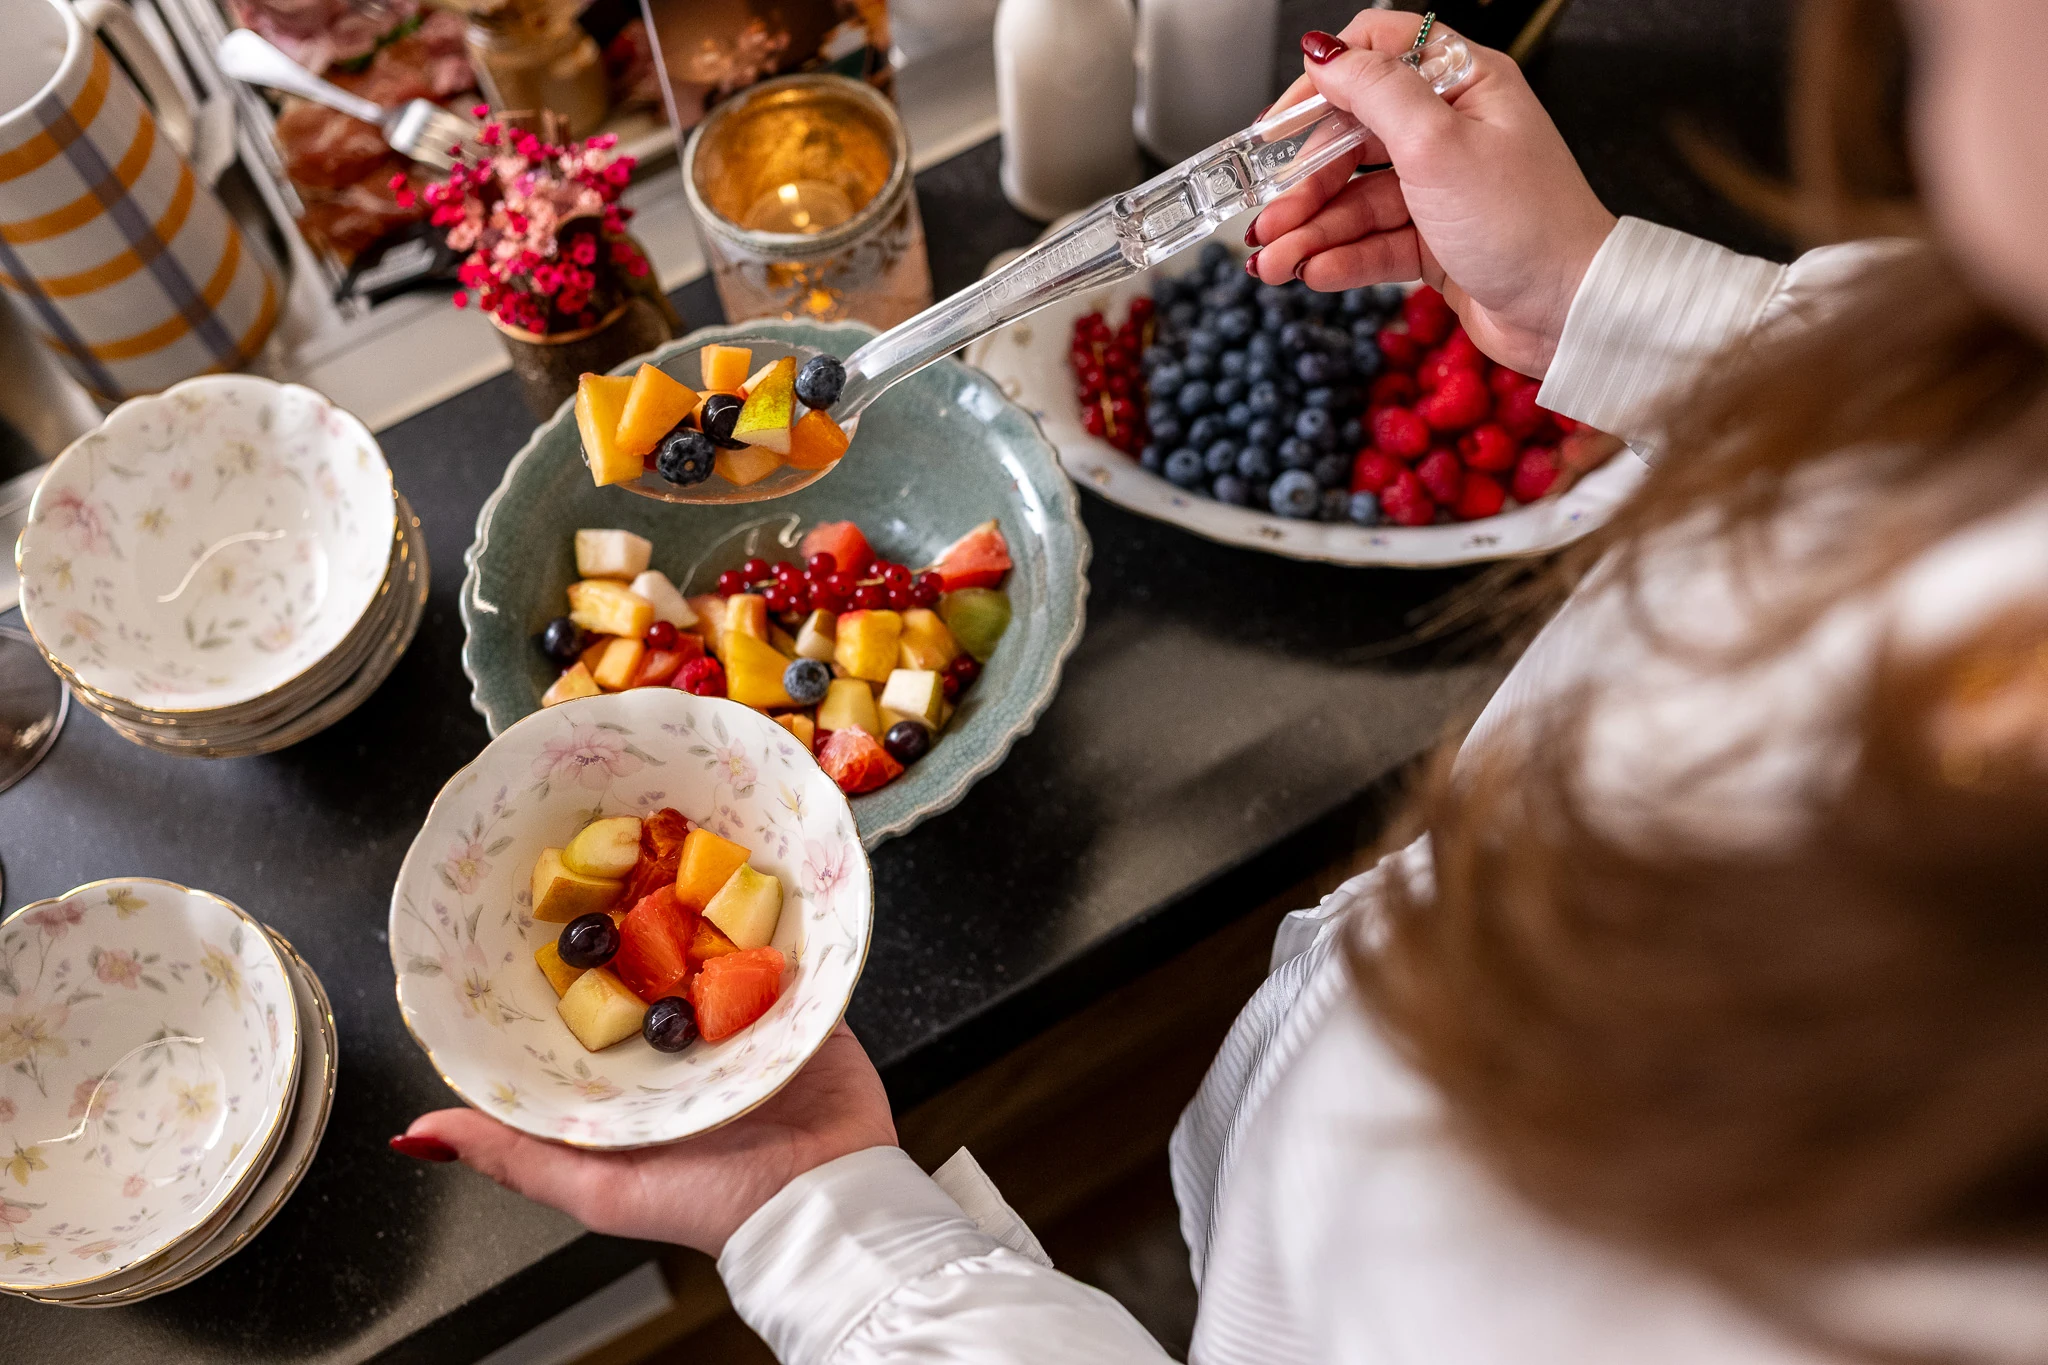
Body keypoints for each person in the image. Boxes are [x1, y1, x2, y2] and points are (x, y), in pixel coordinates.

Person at [392, 1, 2048, 1359]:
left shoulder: (1910, 1235)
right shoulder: (1991, 358)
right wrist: (1605, 299)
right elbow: (1921, 438)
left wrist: (830, 1229)